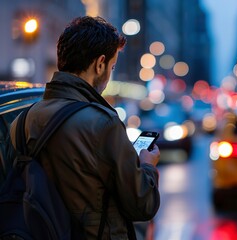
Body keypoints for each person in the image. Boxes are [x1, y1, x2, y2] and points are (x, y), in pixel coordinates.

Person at [10, 16, 160, 239]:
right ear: (100, 64)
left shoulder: (20, 121)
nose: (109, 75)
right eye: (112, 66)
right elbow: (142, 205)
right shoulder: (104, 123)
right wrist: (147, 167)